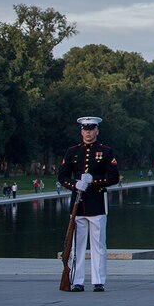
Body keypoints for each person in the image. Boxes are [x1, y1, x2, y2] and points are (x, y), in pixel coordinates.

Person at [58, 116, 121, 292]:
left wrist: (94, 180)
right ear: (81, 131)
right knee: (77, 245)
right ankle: (77, 280)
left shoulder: (106, 151)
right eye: (85, 129)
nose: (88, 132)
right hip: (78, 205)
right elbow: (62, 176)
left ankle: (98, 280)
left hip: (97, 204)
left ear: (97, 131)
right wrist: (74, 184)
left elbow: (114, 177)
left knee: (98, 245)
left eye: (91, 129)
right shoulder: (72, 152)